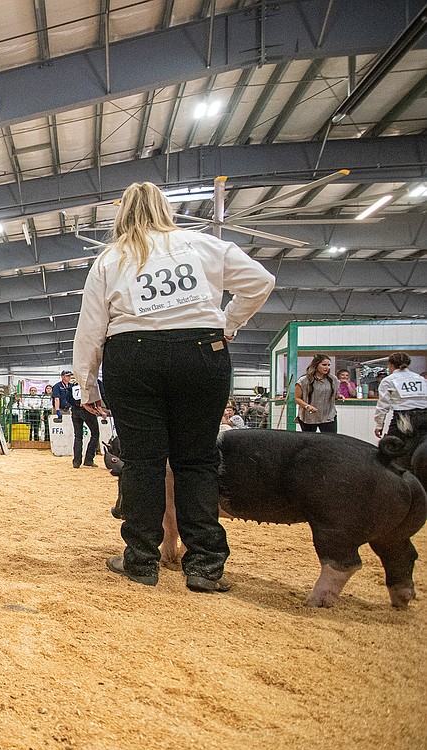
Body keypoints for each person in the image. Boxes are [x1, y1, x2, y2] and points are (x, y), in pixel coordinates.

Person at [72, 181, 274, 594]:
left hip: (133, 355)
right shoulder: (203, 245)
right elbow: (260, 281)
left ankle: (141, 560)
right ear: (166, 209)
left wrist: (87, 384)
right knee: (197, 459)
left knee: (143, 461)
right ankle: (204, 565)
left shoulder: (111, 258)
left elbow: (91, 328)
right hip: (202, 352)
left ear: (123, 214)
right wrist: (227, 323)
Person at [374, 352, 427, 439]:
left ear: (391, 365)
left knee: (390, 447)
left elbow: (383, 406)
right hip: (424, 416)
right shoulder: (420, 378)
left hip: (404, 418)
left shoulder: (388, 380)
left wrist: (379, 425)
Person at [51, 370, 98, 467]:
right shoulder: (87, 386)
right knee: (95, 434)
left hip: (75, 411)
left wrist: (74, 405)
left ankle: (76, 462)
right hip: (87, 411)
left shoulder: (72, 387)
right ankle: (89, 459)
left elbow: (68, 398)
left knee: (78, 436)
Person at [294, 354, 338, 433]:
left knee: (330, 441)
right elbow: (297, 398)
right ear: (316, 365)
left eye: (328, 365)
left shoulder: (333, 379)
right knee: (309, 441)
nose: (327, 367)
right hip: (308, 417)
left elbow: (334, 394)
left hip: (328, 416)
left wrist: (339, 396)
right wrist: (307, 406)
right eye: (324, 365)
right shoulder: (303, 380)